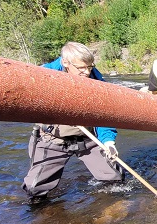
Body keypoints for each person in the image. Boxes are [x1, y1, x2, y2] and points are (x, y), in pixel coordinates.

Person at [22, 42, 124, 198]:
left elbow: (104, 114)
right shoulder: (43, 76)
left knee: (114, 178)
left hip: (86, 140)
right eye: (81, 68)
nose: (87, 72)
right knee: (35, 189)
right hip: (53, 139)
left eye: (90, 67)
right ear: (65, 63)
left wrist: (108, 141)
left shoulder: (97, 81)